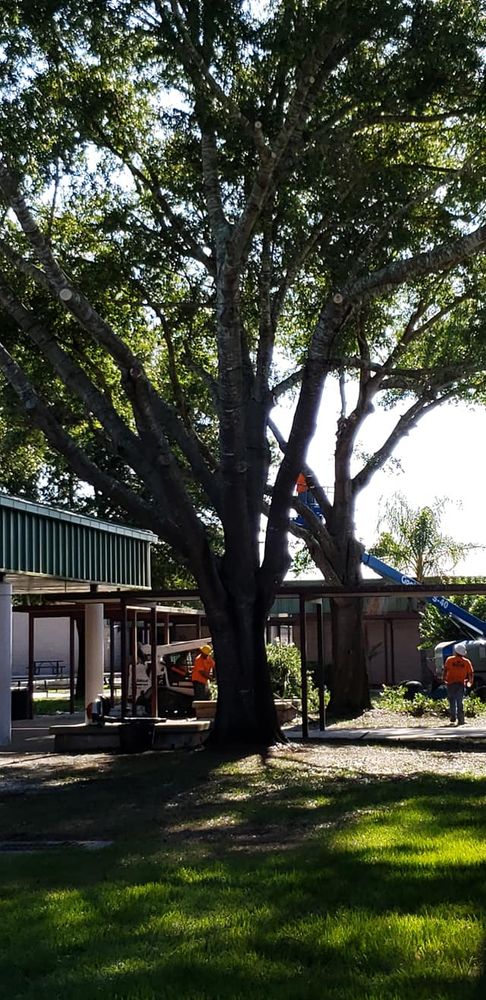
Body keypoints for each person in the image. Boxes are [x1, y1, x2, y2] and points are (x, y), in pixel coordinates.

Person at [443, 642, 474, 726]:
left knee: (452, 701)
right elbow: (470, 673)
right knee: (460, 701)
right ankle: (461, 720)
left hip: (450, 683)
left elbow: (445, 670)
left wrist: (444, 679)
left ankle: (453, 716)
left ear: (455, 651)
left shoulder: (449, 660)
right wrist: (470, 681)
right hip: (461, 684)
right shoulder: (467, 662)